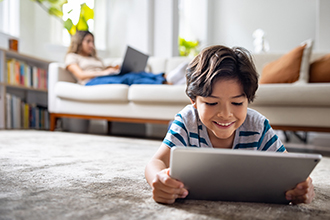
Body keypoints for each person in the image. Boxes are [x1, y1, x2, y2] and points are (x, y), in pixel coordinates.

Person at [144, 45, 315, 205]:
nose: (225, 114)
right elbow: (156, 161)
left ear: (248, 100)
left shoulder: (258, 126)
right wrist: (158, 180)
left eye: (237, 103)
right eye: (211, 103)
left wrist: (302, 187)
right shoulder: (186, 121)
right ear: (194, 101)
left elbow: (290, 172)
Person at [65, 31, 181, 86]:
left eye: (92, 42)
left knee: (135, 73)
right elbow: (80, 75)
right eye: (88, 41)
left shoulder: (94, 58)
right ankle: (166, 82)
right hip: (90, 82)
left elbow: (102, 69)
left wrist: (112, 68)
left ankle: (167, 76)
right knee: (128, 78)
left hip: (103, 77)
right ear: (79, 42)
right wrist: (104, 72)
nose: (91, 45)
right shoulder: (72, 57)